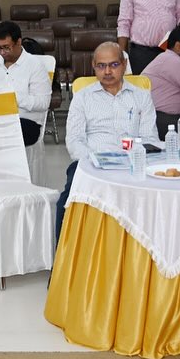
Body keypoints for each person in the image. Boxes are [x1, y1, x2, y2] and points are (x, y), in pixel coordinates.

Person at [57, 42, 160, 244]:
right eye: (101, 66)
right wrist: (93, 164)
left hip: (133, 163)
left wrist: (133, 160)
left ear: (124, 64)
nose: (107, 71)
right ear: (93, 66)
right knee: (65, 202)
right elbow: (75, 140)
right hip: (91, 162)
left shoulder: (141, 97)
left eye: (113, 65)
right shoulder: (82, 98)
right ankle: (63, 259)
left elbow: (149, 138)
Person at [0, 21, 52, 146]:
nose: (2, 52)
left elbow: (43, 103)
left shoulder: (35, 65)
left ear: (18, 42)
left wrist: (12, 97)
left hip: (26, 122)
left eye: (6, 47)